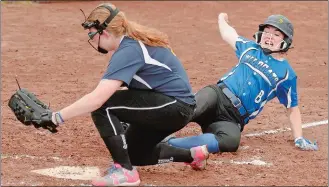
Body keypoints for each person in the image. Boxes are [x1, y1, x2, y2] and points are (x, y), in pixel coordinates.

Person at [49, 3, 209, 186]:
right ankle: (193, 155)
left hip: (175, 106)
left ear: (105, 33)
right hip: (173, 105)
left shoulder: (129, 50)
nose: (92, 40)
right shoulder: (131, 44)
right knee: (133, 154)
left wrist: (56, 117)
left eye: (93, 35)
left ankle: (125, 172)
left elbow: (98, 99)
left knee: (104, 106)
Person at [167, 13, 319, 154]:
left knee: (230, 142)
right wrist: (222, 19)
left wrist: (298, 138)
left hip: (233, 118)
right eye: (267, 32)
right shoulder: (250, 48)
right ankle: (153, 133)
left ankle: (172, 144)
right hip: (217, 95)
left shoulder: (286, 74)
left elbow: (292, 108)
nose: (269, 36)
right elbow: (228, 34)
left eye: (276, 34)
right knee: (190, 109)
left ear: (285, 41)